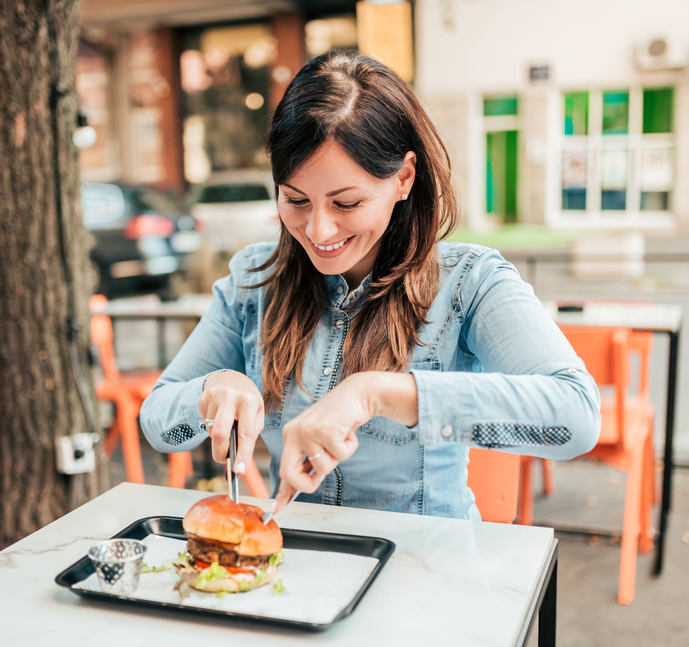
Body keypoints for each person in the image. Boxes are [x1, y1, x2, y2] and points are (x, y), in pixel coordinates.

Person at [141, 51, 600, 520]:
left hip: (426, 569)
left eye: (346, 202)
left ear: (403, 178)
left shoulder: (469, 283)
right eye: (295, 199)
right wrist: (211, 392)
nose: (318, 231)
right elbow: (159, 426)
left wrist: (378, 394)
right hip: (299, 570)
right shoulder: (254, 282)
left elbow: (575, 422)